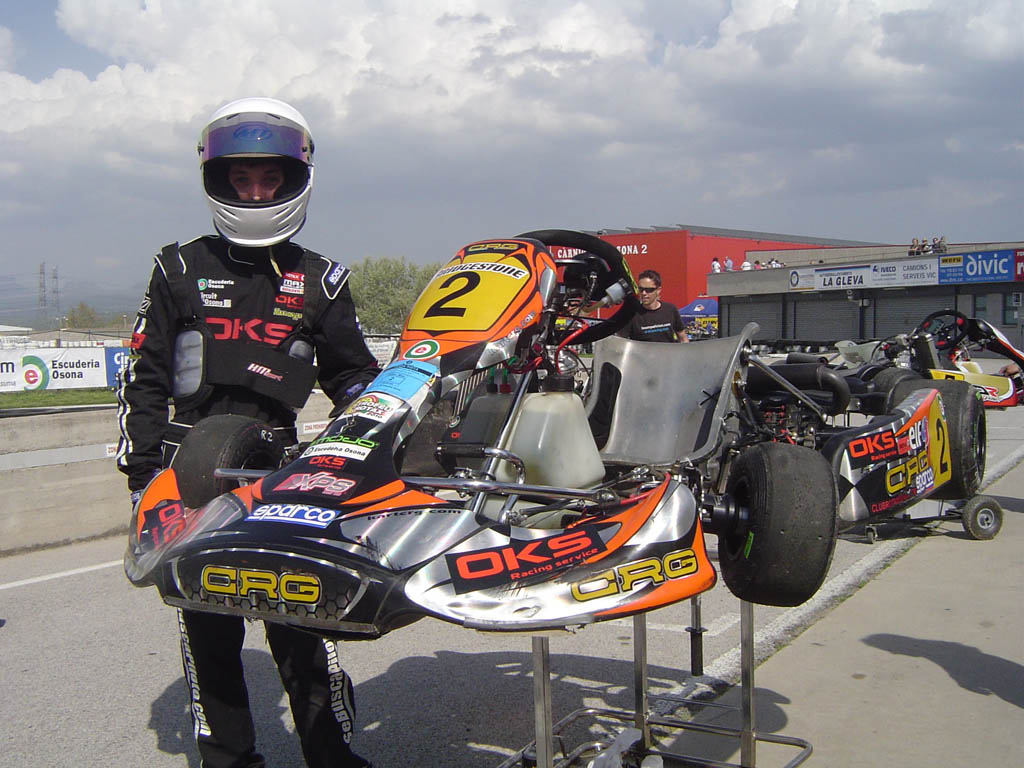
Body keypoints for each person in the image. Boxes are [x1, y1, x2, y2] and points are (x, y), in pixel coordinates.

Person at [116, 97, 379, 768]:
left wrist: (362, 451)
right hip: (191, 474)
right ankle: (230, 759)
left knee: (304, 622)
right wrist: (143, 477)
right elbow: (143, 380)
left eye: (268, 178)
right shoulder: (176, 268)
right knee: (210, 632)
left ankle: (331, 756)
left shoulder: (322, 279)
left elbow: (355, 377)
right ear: (219, 180)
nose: (256, 191)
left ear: (295, 180)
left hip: (282, 472)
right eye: (242, 178)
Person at [618, 269, 688, 342]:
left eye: (648, 290)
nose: (644, 293)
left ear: (658, 290)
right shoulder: (632, 314)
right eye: (641, 289)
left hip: (667, 349)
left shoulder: (670, 310)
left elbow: (683, 338)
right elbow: (620, 341)